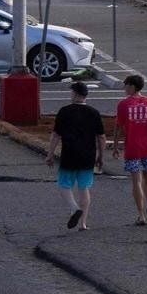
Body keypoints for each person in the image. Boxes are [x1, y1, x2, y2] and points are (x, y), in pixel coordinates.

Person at [46, 80, 106, 230]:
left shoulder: (64, 111)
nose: (70, 94)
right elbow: (101, 137)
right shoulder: (94, 112)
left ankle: (74, 208)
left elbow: (56, 135)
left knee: (64, 185)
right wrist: (101, 156)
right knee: (84, 188)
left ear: (76, 94)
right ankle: (83, 223)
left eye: (71, 92)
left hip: (69, 153)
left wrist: (50, 154)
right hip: (88, 155)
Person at [113, 74, 147, 226]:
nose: (124, 88)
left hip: (132, 147)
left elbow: (118, 127)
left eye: (126, 85)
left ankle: (141, 215)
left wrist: (116, 146)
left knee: (136, 181)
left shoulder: (123, 104)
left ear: (132, 86)